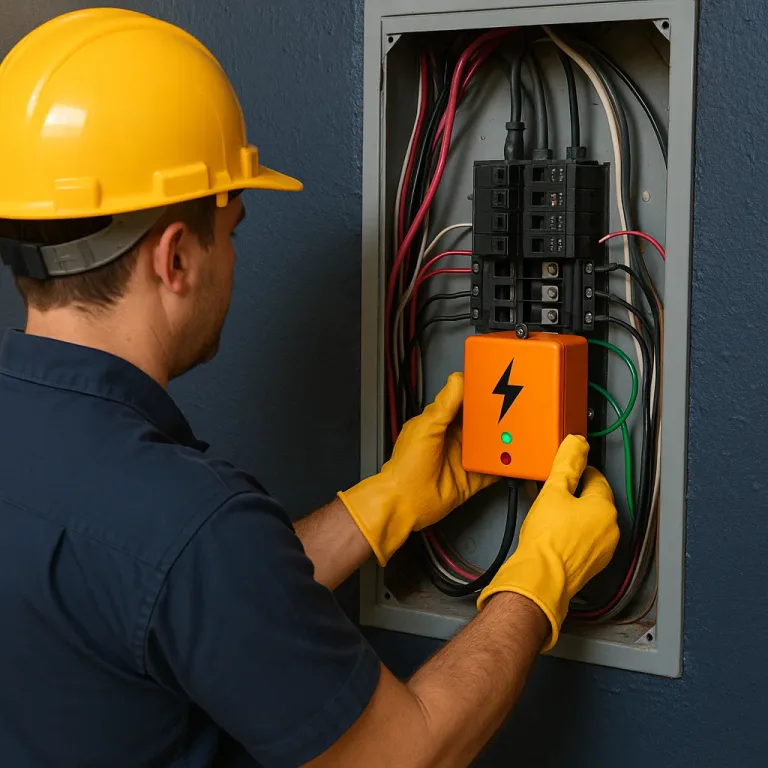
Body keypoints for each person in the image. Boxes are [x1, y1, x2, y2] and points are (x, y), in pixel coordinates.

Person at [0, 9, 619, 768]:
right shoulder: (189, 522)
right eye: (233, 230)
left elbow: (186, 597)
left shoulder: (158, 523)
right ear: (175, 259)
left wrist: (383, 502)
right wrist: (539, 580)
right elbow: (407, 755)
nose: (235, 257)